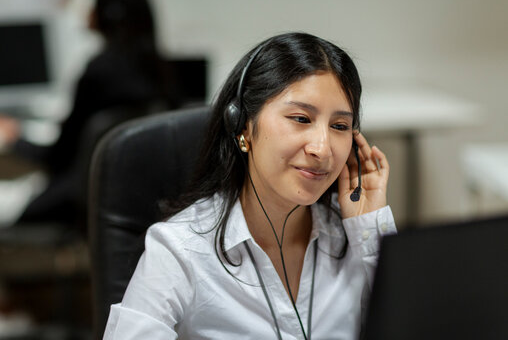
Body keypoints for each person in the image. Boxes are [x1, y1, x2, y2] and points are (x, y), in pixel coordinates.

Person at [103, 32, 397, 339]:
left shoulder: (355, 237)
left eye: (339, 126)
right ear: (242, 124)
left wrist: (370, 228)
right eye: (300, 118)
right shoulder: (180, 250)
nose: (322, 149)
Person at [0, 0, 175, 232]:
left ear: (107, 15)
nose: (86, 11)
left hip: (71, 198)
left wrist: (14, 137)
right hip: (125, 198)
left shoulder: (99, 72)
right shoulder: (159, 71)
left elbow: (57, 157)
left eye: (93, 4)